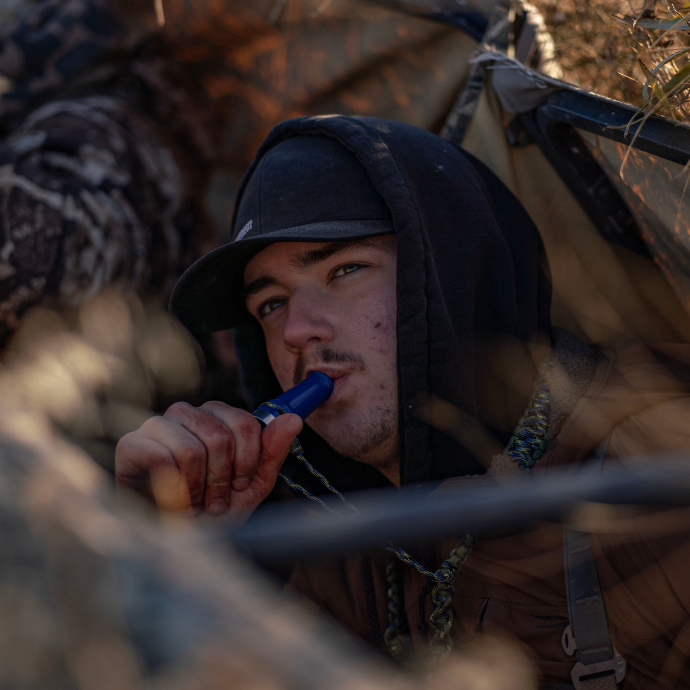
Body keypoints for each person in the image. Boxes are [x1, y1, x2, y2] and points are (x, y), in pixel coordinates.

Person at [116, 115, 690, 689]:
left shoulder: (650, 463)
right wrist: (179, 558)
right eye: (270, 304)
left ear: (448, 270)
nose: (296, 330)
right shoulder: (337, 538)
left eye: (345, 269)